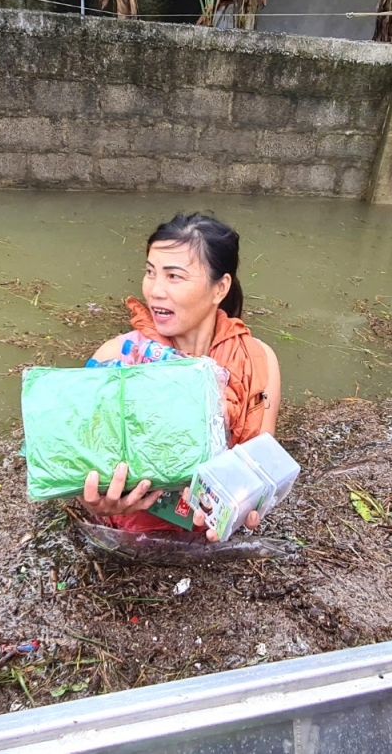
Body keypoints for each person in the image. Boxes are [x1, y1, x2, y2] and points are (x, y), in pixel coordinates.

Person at [80, 212, 282, 540]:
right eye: (150, 272)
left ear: (220, 288)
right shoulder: (115, 359)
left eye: (174, 276)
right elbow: (80, 462)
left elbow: (261, 466)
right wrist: (94, 503)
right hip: (131, 542)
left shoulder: (258, 361)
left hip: (212, 540)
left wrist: (247, 504)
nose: (155, 290)